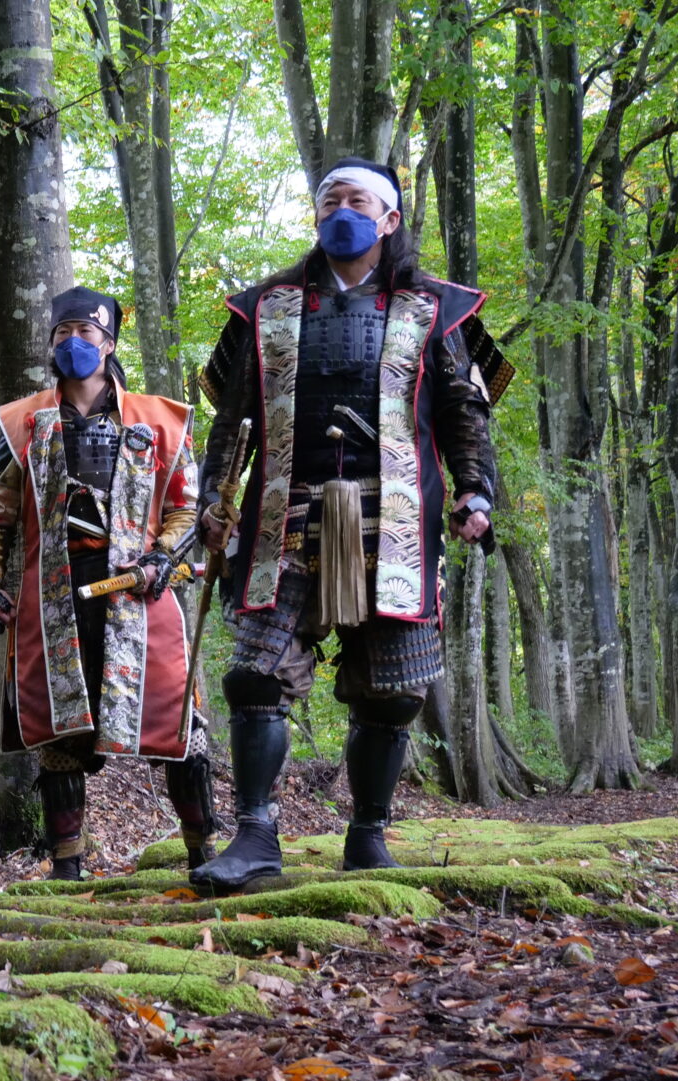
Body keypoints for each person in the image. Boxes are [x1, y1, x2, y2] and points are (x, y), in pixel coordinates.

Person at [192, 157, 503, 893]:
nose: (341, 209)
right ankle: (255, 836)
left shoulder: (436, 308)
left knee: (393, 688)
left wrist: (476, 491)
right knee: (254, 674)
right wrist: (214, 495)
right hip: (284, 511)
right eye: (329, 198)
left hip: (396, 514)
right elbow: (231, 415)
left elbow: (465, 411)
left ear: (389, 219)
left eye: (356, 200)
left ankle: (368, 835)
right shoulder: (264, 307)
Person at [0, 285, 218, 882]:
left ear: (108, 344)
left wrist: (162, 557)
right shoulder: (25, 425)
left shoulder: (160, 421)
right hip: (53, 597)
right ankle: (67, 867)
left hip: (141, 592)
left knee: (180, 723)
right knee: (59, 729)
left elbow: (186, 506)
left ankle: (205, 854)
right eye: (63, 335)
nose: (74, 344)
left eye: (86, 334)